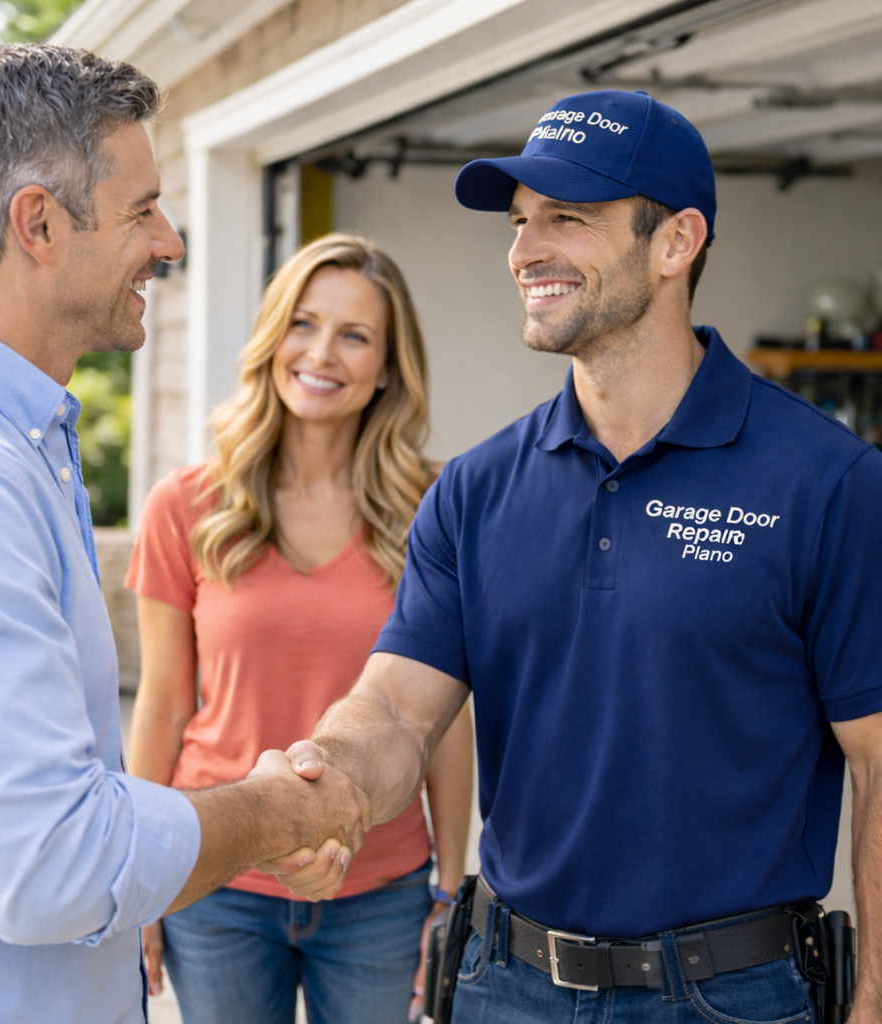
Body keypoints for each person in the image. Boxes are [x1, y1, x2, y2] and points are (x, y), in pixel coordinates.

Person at [263, 90, 882, 1023]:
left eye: (568, 219)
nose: (525, 252)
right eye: (519, 223)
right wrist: (331, 781)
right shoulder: (475, 490)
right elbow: (395, 704)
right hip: (506, 985)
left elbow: (878, 763)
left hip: (729, 997)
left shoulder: (828, 482)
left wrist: (876, 990)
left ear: (676, 242)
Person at [0, 45, 365, 1024]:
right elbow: (48, 865)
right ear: (37, 223)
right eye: (141, 210)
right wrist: (270, 810)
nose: (169, 242)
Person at [125, 233, 474, 1024]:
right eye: (304, 324)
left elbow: (446, 724)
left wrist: (449, 890)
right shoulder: (186, 506)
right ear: (273, 336)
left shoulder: (435, 510)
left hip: (381, 892)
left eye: (355, 336)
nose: (322, 353)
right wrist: (141, 880)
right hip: (215, 881)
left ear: (388, 366)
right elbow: (164, 708)